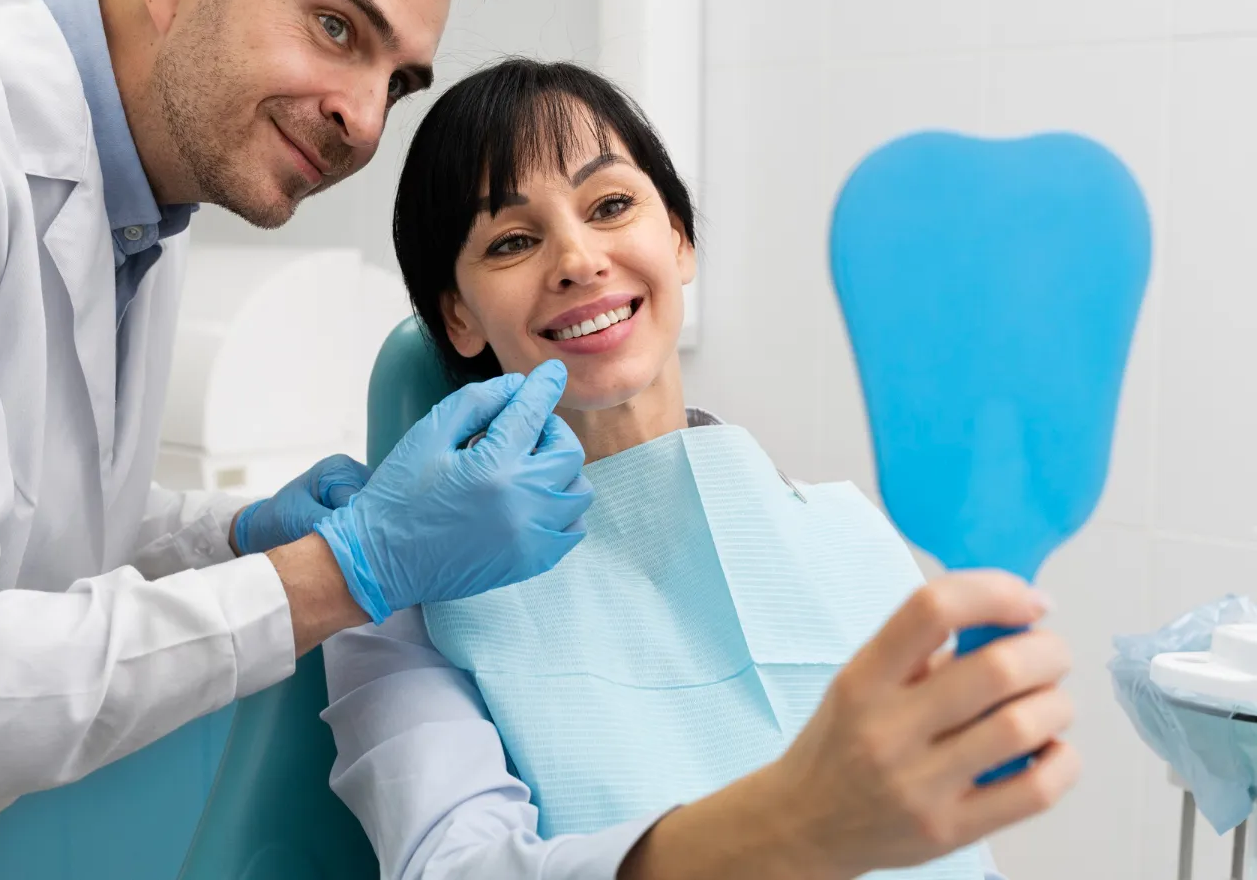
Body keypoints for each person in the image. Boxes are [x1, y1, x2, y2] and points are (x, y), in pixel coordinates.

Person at [0, 0, 597, 877]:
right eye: (336, 26)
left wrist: (231, 535)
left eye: (398, 82)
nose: (365, 123)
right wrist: (345, 572)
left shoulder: (144, 202)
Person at [322, 59, 1082, 879]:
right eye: (512, 240)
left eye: (611, 204)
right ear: (458, 315)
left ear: (679, 240)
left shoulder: (849, 534)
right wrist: (795, 819)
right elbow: (455, 869)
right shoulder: (395, 610)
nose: (578, 260)